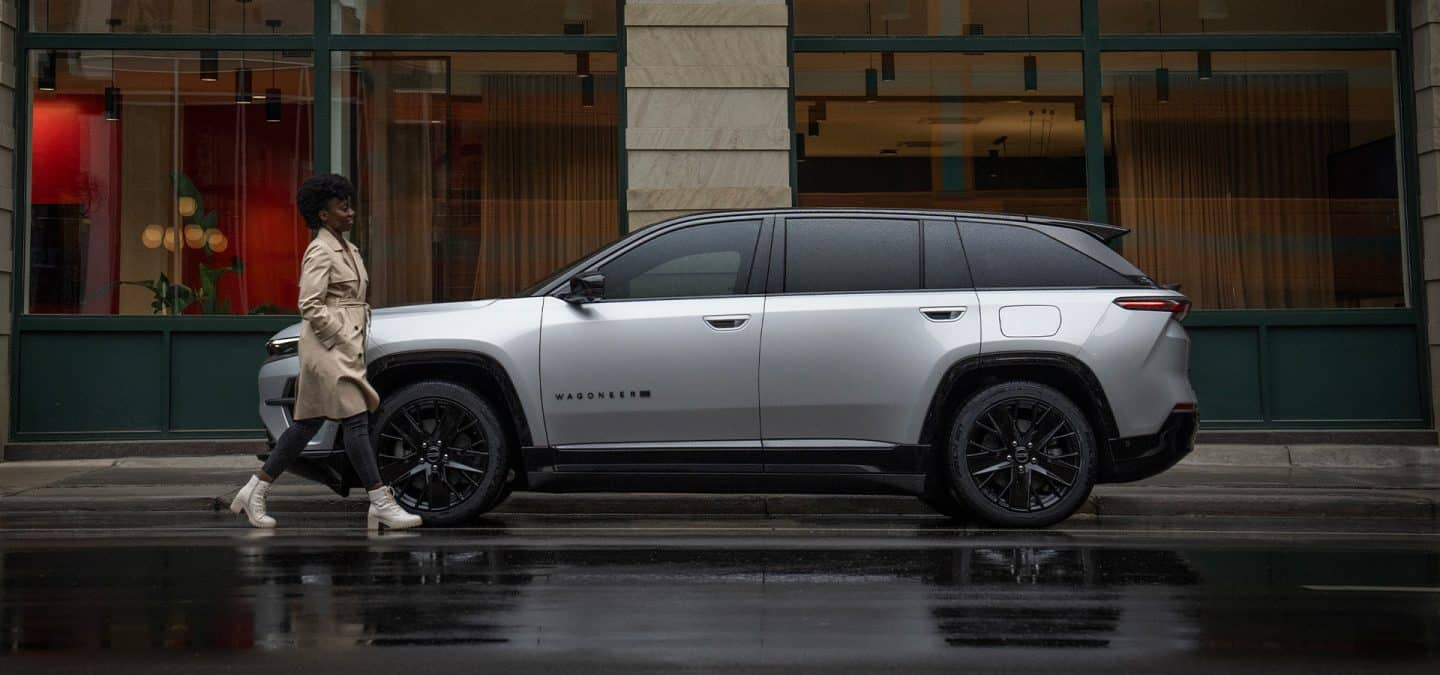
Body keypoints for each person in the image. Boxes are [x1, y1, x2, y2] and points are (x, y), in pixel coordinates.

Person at [230, 174, 421, 532]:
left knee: (305, 426)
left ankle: (254, 490)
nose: (350, 212)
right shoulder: (320, 251)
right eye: (341, 206)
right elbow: (310, 304)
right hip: (330, 348)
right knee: (356, 419)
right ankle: (381, 501)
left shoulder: (348, 249)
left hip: (343, 344)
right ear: (323, 214)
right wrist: (339, 338)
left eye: (350, 204)